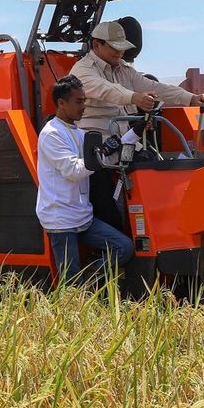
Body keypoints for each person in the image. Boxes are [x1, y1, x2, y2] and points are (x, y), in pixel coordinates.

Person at [69, 20, 204, 228]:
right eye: (114, 47)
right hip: (96, 152)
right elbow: (106, 89)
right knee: (107, 208)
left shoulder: (123, 70)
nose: (120, 52)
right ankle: (114, 242)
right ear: (96, 45)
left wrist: (190, 98)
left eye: (122, 47)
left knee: (151, 171)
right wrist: (134, 97)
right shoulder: (82, 71)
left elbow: (154, 87)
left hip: (123, 145)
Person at [37, 75, 134, 285]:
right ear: (61, 103)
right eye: (79, 101)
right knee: (71, 284)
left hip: (82, 216)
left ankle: (90, 275)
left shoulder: (79, 133)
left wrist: (132, 134)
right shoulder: (51, 134)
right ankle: (79, 288)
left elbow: (98, 161)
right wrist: (100, 155)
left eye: (84, 100)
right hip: (61, 220)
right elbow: (73, 170)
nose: (84, 106)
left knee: (124, 248)